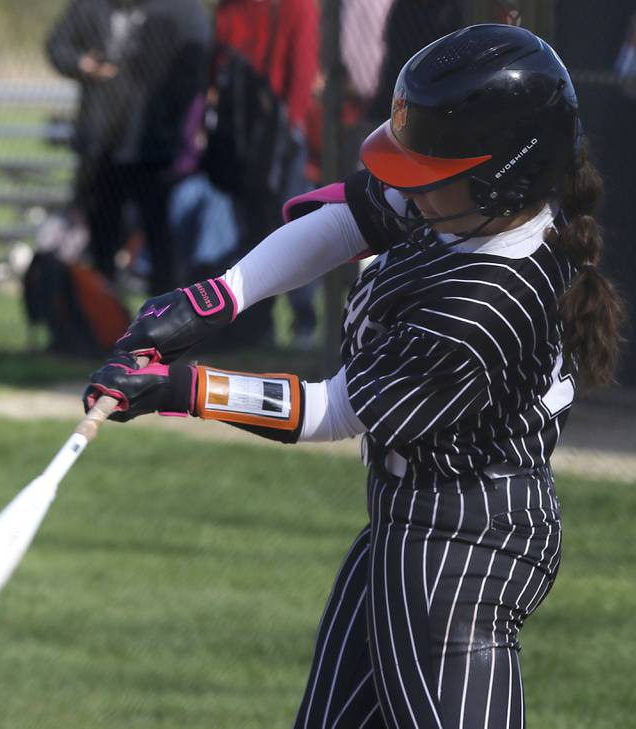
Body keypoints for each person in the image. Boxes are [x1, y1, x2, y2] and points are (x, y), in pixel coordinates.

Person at [82, 24, 624, 728]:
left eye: (428, 175)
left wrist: (182, 389)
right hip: (410, 524)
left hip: (461, 549)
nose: (406, 189)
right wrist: (214, 299)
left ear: (505, 174)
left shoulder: (485, 305)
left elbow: (333, 410)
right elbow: (347, 220)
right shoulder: (473, 207)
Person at [46, 0, 211, 294]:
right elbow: (57, 46)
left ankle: (167, 321)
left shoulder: (178, 11)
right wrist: (83, 64)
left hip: (151, 146)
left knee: (158, 237)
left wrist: (169, 117)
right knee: (101, 239)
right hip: (102, 144)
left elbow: (195, 69)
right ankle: (102, 323)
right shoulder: (91, 7)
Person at [208, 0, 320, 347]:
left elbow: (218, 65)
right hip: (263, 129)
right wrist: (292, 122)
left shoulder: (249, 7)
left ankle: (283, 321)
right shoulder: (288, 6)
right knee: (278, 225)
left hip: (261, 129)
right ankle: (273, 323)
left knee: (273, 226)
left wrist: (289, 124)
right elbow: (302, 67)